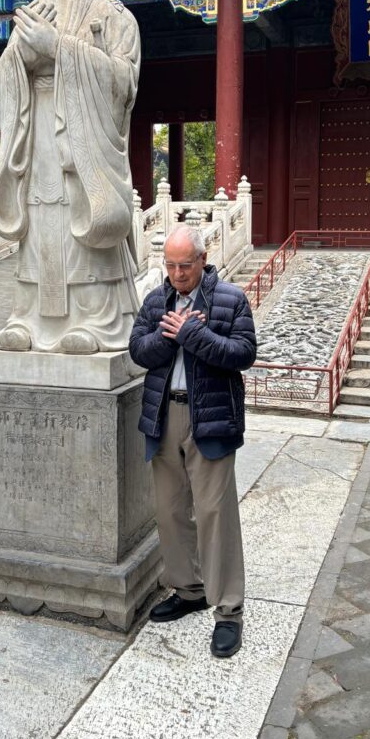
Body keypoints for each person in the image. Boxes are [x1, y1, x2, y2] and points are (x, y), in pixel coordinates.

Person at [0, 0, 141, 355]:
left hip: (86, 146)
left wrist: (59, 48)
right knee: (39, 223)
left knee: (83, 229)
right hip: (37, 143)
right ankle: (27, 319)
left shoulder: (116, 18)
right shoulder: (34, 15)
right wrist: (20, 53)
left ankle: (96, 320)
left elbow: (124, 84)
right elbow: (4, 81)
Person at [129, 224, 257, 658]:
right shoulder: (155, 300)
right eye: (170, 265)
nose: (178, 273)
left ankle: (228, 610)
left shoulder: (230, 300)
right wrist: (170, 338)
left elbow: (243, 354)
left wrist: (193, 336)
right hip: (165, 415)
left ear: (203, 259)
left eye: (185, 265)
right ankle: (188, 589)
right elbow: (138, 351)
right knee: (169, 511)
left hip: (212, 418)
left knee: (214, 512)